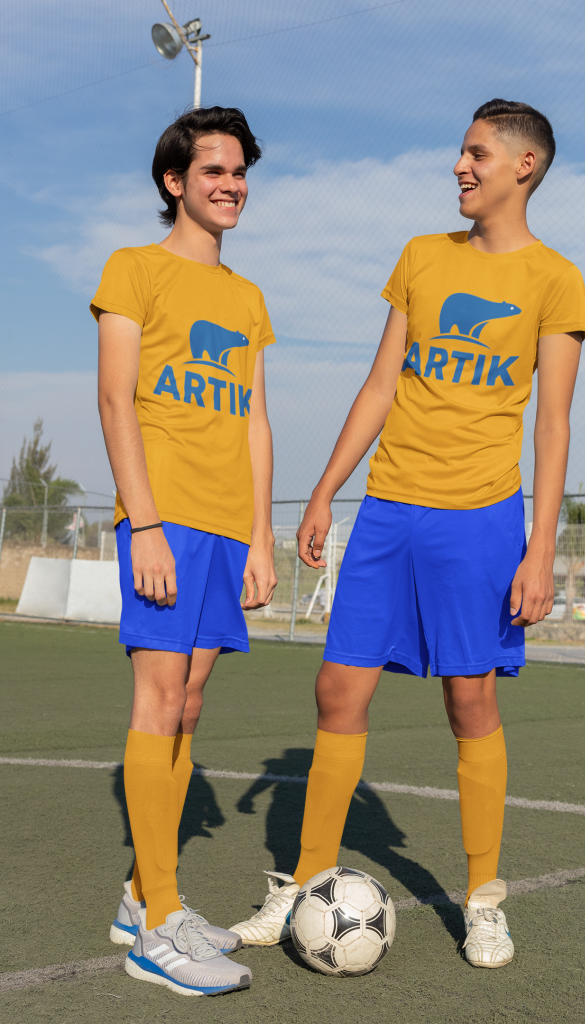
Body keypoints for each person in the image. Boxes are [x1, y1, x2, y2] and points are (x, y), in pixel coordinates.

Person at [229, 99, 585, 969]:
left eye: (475, 155)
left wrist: (539, 549)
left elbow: (552, 427)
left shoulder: (555, 279)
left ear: (523, 166)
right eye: (459, 154)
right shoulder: (422, 258)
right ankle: (304, 885)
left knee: (469, 700)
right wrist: (322, 492)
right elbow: (380, 383)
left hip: (482, 521)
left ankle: (484, 898)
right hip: (388, 511)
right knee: (337, 693)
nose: (459, 168)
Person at [93, 106, 278, 996]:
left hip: (225, 526)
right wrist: (147, 521)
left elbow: (253, 417)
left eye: (239, 170)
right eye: (214, 170)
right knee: (158, 696)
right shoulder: (134, 270)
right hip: (162, 519)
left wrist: (260, 534)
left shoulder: (246, 298)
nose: (231, 183)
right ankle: (154, 931)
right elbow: (115, 402)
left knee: (191, 701)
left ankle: (144, 895)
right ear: (176, 180)